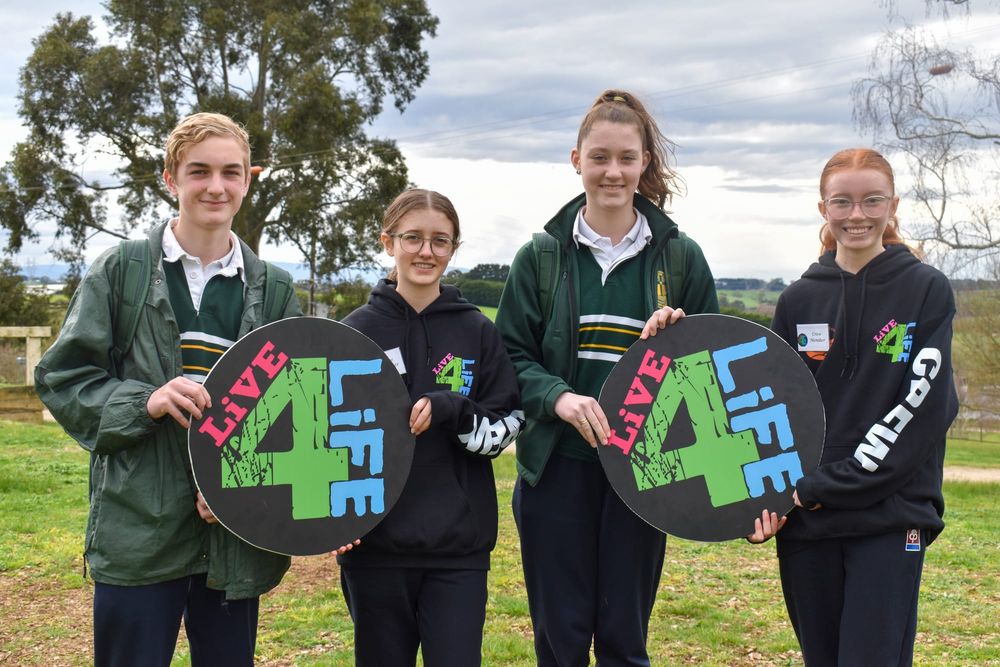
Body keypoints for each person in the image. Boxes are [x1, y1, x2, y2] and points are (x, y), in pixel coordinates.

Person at [35, 112, 302, 667]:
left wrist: (245, 491)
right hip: (138, 527)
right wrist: (145, 401)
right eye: (199, 171)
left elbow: (294, 414)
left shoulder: (274, 289)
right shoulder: (122, 271)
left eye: (230, 172)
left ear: (247, 181)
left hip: (231, 537)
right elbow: (64, 377)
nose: (215, 186)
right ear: (170, 179)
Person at [496, 89, 719, 666]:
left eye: (626, 157)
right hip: (557, 469)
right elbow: (509, 355)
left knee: (624, 640)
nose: (612, 171)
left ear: (645, 162)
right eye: (599, 157)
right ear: (577, 161)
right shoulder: (541, 257)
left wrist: (678, 338)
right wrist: (558, 398)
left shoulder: (681, 259)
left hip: (643, 474)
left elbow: (711, 370)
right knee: (560, 641)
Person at [755, 148, 959, 666]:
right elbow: (771, 410)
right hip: (809, 523)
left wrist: (820, 487)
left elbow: (924, 409)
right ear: (823, 208)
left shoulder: (925, 290)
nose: (857, 215)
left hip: (890, 518)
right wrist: (764, 500)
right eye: (842, 202)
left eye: (872, 200)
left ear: (893, 205)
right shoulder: (799, 299)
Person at [336, 188, 525, 667]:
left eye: (440, 240)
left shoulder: (477, 331)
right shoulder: (354, 331)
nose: (426, 251)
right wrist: (333, 519)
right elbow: (325, 437)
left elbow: (506, 426)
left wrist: (456, 410)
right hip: (374, 551)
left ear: (453, 248)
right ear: (388, 242)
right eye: (413, 238)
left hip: (457, 553)